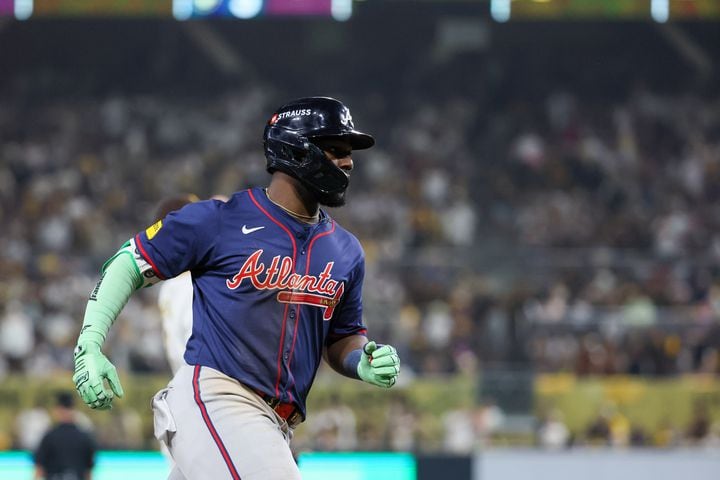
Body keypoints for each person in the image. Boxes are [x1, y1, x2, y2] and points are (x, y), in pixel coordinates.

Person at [71, 96, 401, 479]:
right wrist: (90, 343)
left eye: (349, 152)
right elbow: (128, 262)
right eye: (335, 149)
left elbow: (343, 337)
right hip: (218, 397)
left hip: (276, 425)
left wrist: (360, 361)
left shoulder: (346, 250)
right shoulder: (220, 220)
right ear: (295, 151)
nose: (347, 161)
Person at [33, 391, 96, 480]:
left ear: (58, 410)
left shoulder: (49, 437)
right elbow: (88, 473)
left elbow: (39, 470)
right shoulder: (85, 437)